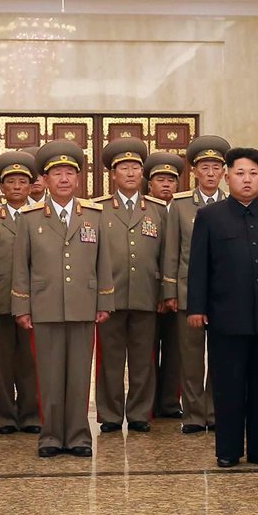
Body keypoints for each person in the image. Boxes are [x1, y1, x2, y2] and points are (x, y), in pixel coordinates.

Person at [187, 147, 258, 468]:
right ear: (228, 177)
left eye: (253, 174)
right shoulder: (210, 216)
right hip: (227, 315)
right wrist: (196, 307)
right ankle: (228, 450)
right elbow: (199, 266)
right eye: (240, 173)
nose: (247, 179)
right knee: (229, 385)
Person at [12, 140, 114, 458]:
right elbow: (21, 266)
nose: (64, 179)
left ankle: (79, 435)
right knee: (50, 374)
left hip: (84, 305)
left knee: (80, 373)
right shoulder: (30, 218)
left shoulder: (94, 216)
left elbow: (103, 262)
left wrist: (104, 301)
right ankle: (51, 435)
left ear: (78, 179)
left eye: (70, 172)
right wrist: (21, 305)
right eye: (57, 173)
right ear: (45, 180)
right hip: (45, 306)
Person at [94, 138, 167, 434]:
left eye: (136, 168)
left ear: (143, 174)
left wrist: (166, 293)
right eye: (124, 168)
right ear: (113, 174)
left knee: (142, 360)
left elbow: (166, 254)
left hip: (146, 294)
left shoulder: (158, 210)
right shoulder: (98, 210)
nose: (130, 173)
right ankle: (110, 414)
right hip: (109, 297)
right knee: (110, 360)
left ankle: (139, 412)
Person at [162, 135, 229, 434]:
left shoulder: (232, 204)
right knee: (190, 359)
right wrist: (170, 291)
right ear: (195, 172)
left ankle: (214, 412)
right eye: (205, 167)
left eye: (216, 167)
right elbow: (172, 251)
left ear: (224, 172)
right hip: (188, 293)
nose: (211, 173)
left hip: (223, 295)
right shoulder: (180, 205)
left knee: (220, 356)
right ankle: (193, 414)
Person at [0, 150, 41, 436]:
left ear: (32, 185)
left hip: (35, 301)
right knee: (2, 362)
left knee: (31, 361)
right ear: (2, 187)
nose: (17, 186)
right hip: (1, 300)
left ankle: (32, 414)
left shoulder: (40, 214)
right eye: (11, 182)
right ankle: (5, 417)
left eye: (23, 181)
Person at [145, 151, 185, 419]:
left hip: (178, 293)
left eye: (171, 179)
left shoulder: (184, 210)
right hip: (147, 293)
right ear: (149, 184)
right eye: (161, 179)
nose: (167, 184)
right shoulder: (145, 210)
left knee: (176, 351)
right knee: (146, 353)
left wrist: (171, 290)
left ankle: (170, 402)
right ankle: (148, 403)